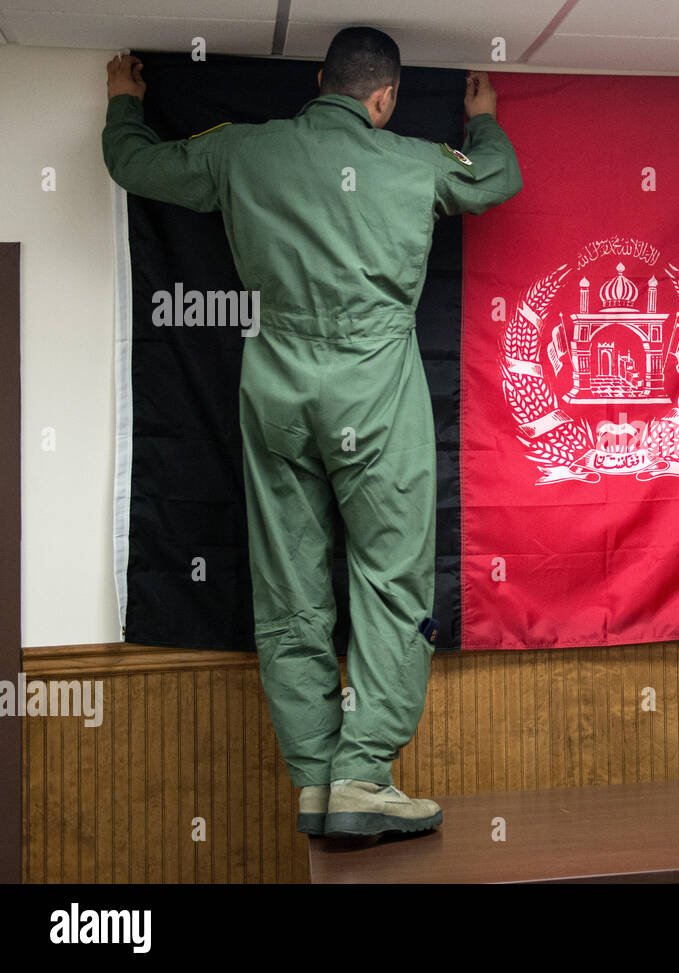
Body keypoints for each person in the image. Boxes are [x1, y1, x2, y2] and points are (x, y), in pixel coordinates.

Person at [102, 27, 522, 835]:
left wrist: (126, 103)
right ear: (384, 97)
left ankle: (314, 781)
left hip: (277, 390)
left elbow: (135, 165)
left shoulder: (244, 152)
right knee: (390, 586)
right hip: (374, 394)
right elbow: (497, 180)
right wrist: (487, 118)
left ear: (320, 80)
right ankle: (362, 775)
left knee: (289, 589)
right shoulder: (415, 161)